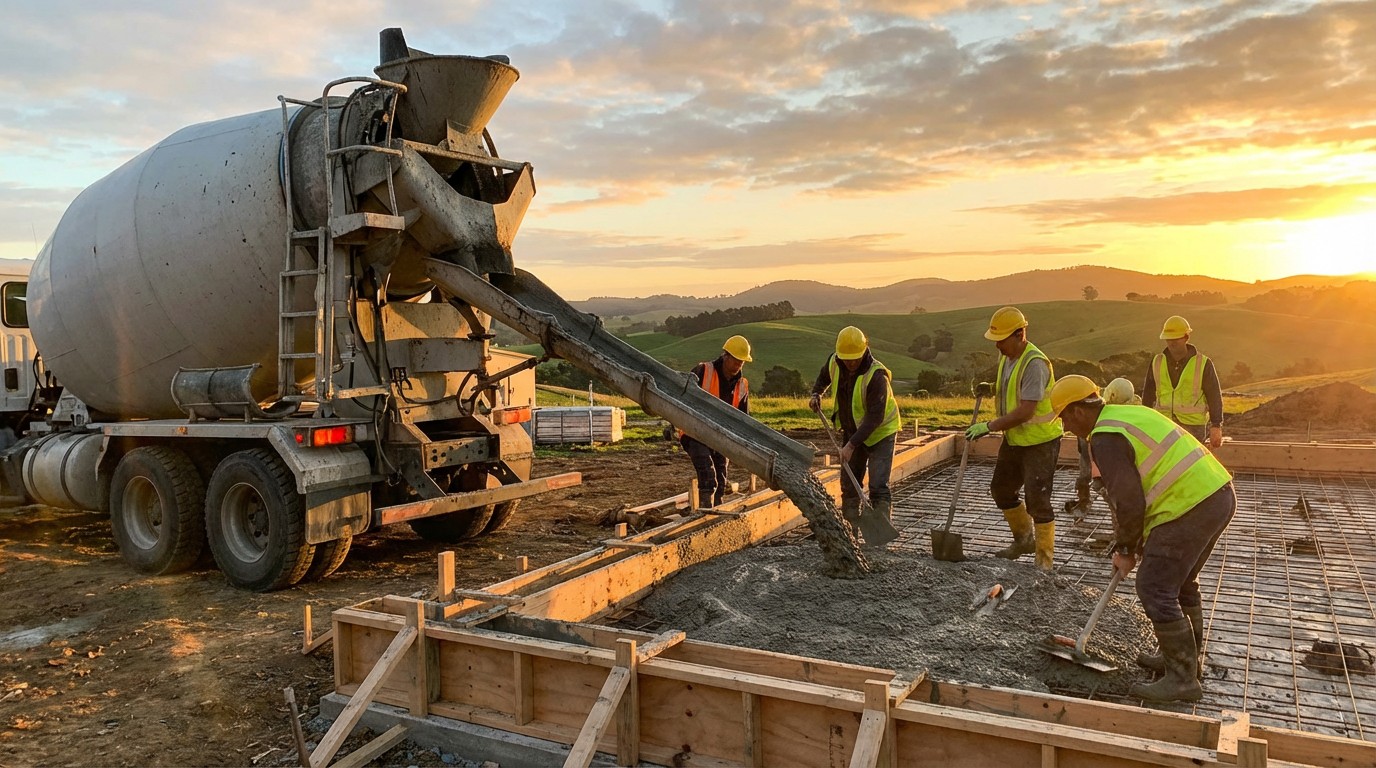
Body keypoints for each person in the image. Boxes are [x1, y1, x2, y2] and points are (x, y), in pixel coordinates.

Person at [1049, 374, 1235, 703]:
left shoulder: (1104, 437)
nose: (1065, 426)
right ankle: (1183, 663)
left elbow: (1129, 500)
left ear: (1078, 411)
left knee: (1153, 586)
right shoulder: (1128, 414)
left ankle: (1181, 679)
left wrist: (1124, 548)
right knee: (1181, 582)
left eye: (1064, 417)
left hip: (1189, 503)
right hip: (1217, 493)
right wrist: (1134, 544)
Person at [966, 307, 1061, 571]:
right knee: (1001, 490)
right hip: (1016, 439)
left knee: (1038, 500)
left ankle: (1044, 561)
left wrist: (989, 426)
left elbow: (1027, 409)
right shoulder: (1009, 357)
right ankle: (1024, 540)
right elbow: (1012, 389)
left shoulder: (1035, 364)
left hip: (1040, 442)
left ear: (1020, 334)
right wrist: (993, 388)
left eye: (1002, 339)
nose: (997, 345)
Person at [808, 326, 902, 544]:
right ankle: (849, 535)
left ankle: (879, 538)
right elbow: (823, 378)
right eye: (846, 359)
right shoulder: (836, 361)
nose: (850, 363)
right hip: (852, 431)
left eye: (854, 359)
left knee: (878, 485)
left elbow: (874, 417)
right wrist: (816, 393)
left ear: (864, 351)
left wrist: (850, 445)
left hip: (880, 433)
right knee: (850, 484)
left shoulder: (876, 376)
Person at [679, 335, 752, 508]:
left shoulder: (742, 384)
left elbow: (744, 419)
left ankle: (717, 513)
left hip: (721, 436)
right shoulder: (703, 371)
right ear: (725, 356)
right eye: (736, 361)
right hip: (695, 432)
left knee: (720, 480)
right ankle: (706, 512)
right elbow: (682, 396)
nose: (738, 365)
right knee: (708, 475)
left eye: (742, 362)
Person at [1142, 315, 1223, 448]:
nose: (1172, 342)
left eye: (1176, 338)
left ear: (1186, 337)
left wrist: (1216, 425)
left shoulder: (1203, 363)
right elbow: (1148, 395)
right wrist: (1145, 422)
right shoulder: (1157, 362)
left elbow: (1214, 396)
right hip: (1164, 424)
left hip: (1193, 428)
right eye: (1169, 339)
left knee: (1191, 465)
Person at [1067, 377, 1141, 518]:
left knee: (1118, 496)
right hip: (1097, 456)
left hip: (1117, 464)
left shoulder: (1125, 412)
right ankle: (1084, 502)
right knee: (1085, 475)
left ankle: (1120, 526)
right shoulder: (1095, 415)